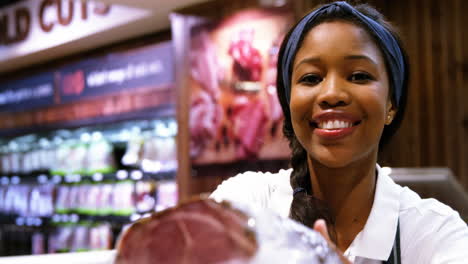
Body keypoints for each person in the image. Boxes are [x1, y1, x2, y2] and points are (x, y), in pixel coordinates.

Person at [210, 1, 468, 263]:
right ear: (289, 104)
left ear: (391, 104)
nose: (331, 94)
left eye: (358, 76)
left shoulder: (435, 234)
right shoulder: (244, 205)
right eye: (311, 78)